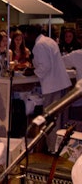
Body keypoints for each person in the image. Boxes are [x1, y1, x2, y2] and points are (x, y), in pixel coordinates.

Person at [25, 24, 72, 153]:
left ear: (31, 34)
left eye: (26, 35)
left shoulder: (38, 45)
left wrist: (33, 71)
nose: (26, 37)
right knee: (61, 120)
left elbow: (45, 67)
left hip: (52, 86)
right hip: (61, 84)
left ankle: (53, 149)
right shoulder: (49, 40)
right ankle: (60, 149)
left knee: (51, 119)